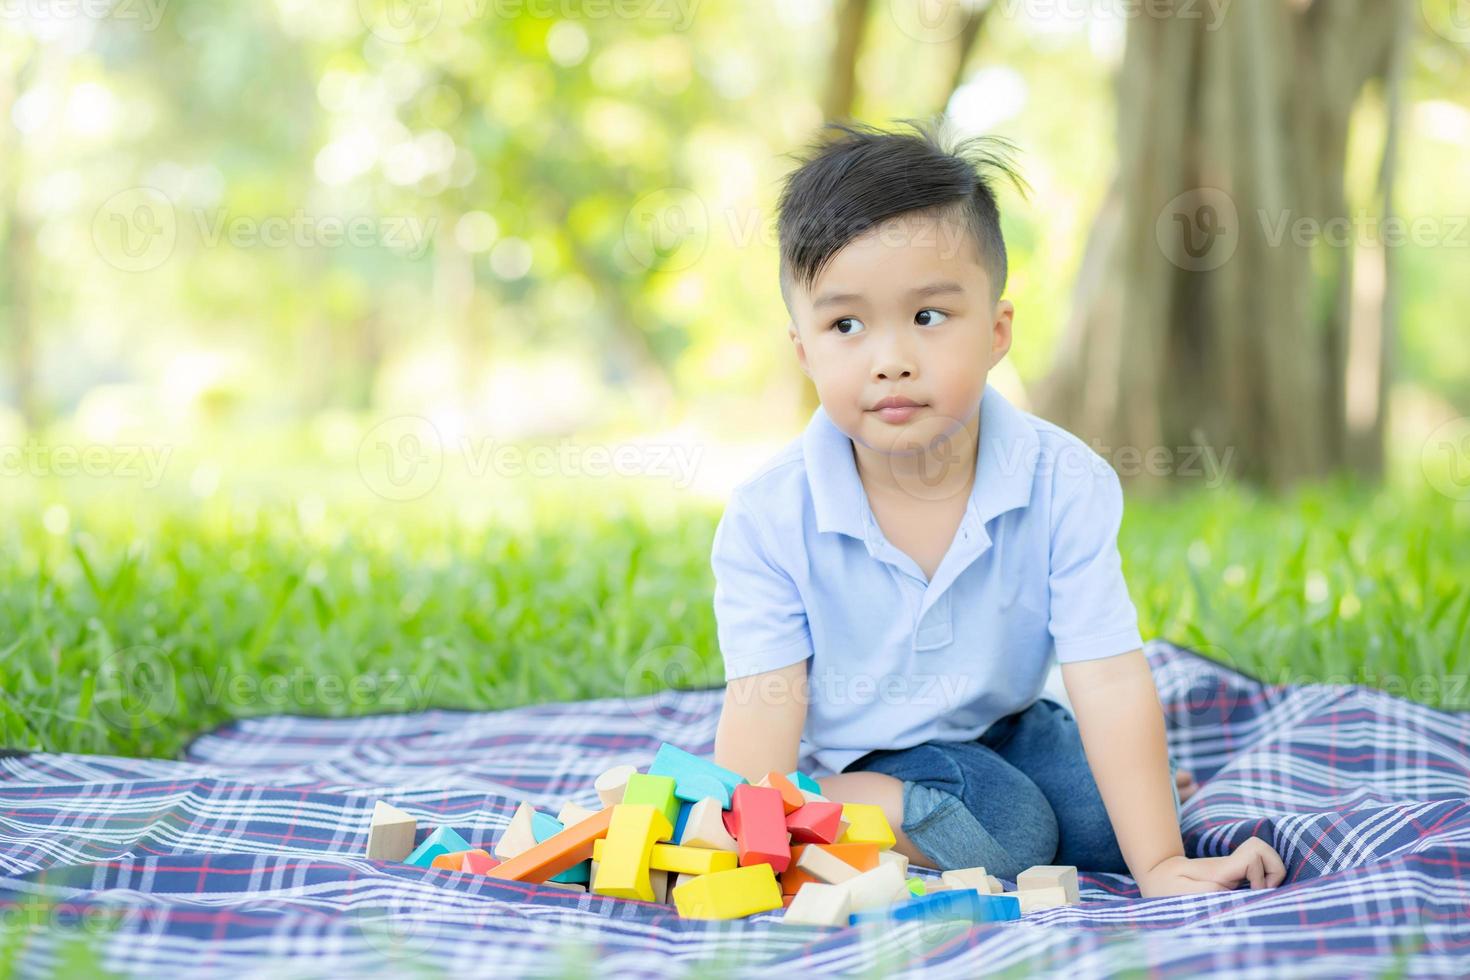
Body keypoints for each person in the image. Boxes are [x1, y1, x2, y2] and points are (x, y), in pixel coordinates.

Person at [710, 119, 1285, 897]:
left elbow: (1109, 675)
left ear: (996, 331)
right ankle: (821, 810)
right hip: (866, 759)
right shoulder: (770, 515)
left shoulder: (1061, 481)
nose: (890, 360)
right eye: (846, 324)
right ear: (804, 350)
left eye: (928, 316)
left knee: (1110, 830)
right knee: (1011, 835)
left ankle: (1079, 812)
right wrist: (739, 834)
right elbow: (764, 699)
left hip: (1009, 725)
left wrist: (1160, 865)